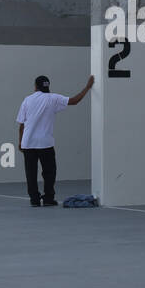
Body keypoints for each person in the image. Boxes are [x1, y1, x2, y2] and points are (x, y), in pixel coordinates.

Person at [17, 74, 93, 207]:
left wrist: (20, 142)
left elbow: (22, 124)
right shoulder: (53, 98)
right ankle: (48, 199)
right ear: (48, 86)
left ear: (35, 86)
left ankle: (34, 200)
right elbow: (74, 101)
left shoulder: (27, 100)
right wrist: (87, 87)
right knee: (49, 172)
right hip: (45, 143)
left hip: (28, 143)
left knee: (31, 173)